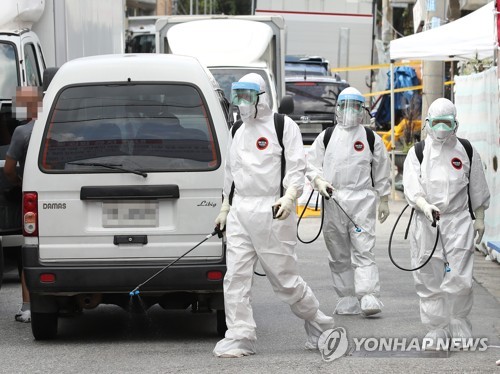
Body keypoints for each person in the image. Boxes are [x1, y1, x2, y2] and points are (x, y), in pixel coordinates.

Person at [213, 73, 334, 358]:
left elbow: (296, 167)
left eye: (248, 96)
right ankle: (240, 335)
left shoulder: (283, 126)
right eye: (238, 96)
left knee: (285, 281)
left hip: (273, 212)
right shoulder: (237, 130)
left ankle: (318, 321)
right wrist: (225, 207)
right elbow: (230, 173)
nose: (242, 103)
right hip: (241, 211)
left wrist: (290, 197)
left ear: (261, 97)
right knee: (235, 277)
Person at [402, 98, 490, 349]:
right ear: (428, 122)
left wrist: (480, 217)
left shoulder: (466, 150)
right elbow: (411, 185)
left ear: (455, 124)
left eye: (446, 123)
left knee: (460, 277)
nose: (441, 128)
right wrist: (423, 205)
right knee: (428, 278)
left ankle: (459, 323)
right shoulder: (418, 152)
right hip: (426, 221)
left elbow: (477, 187)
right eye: (437, 122)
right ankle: (437, 329)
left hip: (458, 221)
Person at [306, 87, 391, 316]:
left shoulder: (370, 138)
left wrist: (384, 198)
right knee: (338, 252)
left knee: (364, 249)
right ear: (338, 109)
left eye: (355, 106)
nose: (349, 111)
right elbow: (311, 164)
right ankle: (347, 297)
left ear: (362, 110)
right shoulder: (327, 136)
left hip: (362, 200)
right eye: (345, 105)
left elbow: (382, 169)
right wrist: (318, 181)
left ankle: (369, 295)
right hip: (333, 199)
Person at [4, 86, 43, 323]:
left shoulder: (21, 132)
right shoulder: (58, 127)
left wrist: (19, 183)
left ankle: (27, 307)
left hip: (32, 197)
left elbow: (8, 169)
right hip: (55, 195)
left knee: (29, 247)